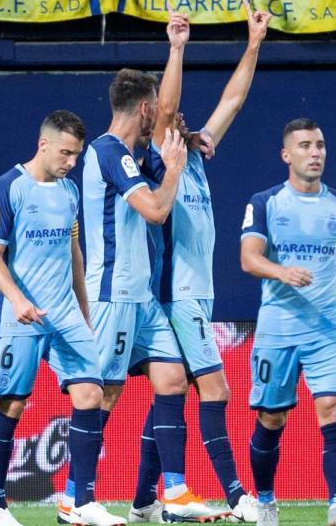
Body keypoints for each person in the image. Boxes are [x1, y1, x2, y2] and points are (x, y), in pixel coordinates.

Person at [128, 4, 272, 523]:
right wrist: (177, 47)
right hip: (176, 295)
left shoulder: (193, 160)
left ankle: (144, 501)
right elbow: (167, 110)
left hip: (196, 295)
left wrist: (253, 44)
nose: (184, 121)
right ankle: (238, 497)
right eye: (175, 120)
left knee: (170, 397)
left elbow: (232, 101)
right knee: (216, 390)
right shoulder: (157, 162)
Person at [78, 34, 229, 521]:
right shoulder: (108, 152)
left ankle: (176, 493)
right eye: (155, 114)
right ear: (144, 109)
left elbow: (170, 118)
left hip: (141, 297)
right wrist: (176, 169)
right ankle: (77, 498)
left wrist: (185, 139)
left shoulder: (132, 155)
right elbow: (158, 210)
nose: (158, 121)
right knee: (101, 394)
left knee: (173, 379)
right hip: (113, 292)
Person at [0, 110, 121, 526]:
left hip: (65, 315)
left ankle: (82, 502)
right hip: (19, 315)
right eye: (65, 153)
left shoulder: (69, 191)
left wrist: (84, 313)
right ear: (43, 145)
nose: (71, 162)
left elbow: (74, 253)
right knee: (12, 404)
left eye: (76, 155)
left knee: (91, 393)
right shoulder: (8, 187)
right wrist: (16, 299)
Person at [240, 119, 336, 526]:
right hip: (277, 331)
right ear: (286, 155)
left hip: (327, 331)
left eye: (320, 145)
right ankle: (265, 501)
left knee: (334, 408)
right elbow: (249, 258)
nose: (315, 153)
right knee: (271, 419)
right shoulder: (266, 202)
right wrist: (282, 272)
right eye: (305, 146)